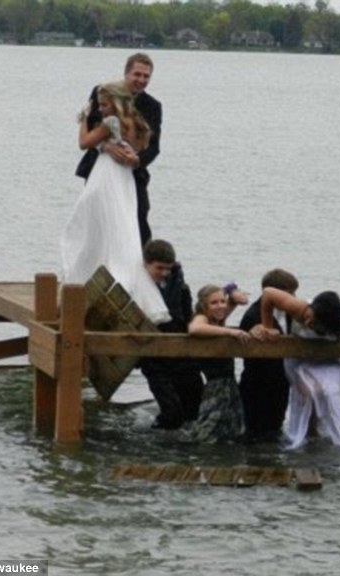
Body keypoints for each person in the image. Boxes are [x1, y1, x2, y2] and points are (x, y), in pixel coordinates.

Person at [61, 80, 169, 325]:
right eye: (99, 105)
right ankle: (119, 273)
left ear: (116, 102)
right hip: (125, 179)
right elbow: (138, 147)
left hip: (107, 175)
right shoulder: (137, 121)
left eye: (104, 104)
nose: (101, 109)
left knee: (89, 221)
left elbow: (84, 143)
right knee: (122, 225)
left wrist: (84, 120)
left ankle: (94, 271)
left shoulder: (111, 122)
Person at [252, 287, 340, 449]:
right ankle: (308, 434)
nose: (309, 322)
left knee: (329, 391)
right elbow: (268, 293)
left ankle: (330, 437)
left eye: (316, 324)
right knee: (308, 392)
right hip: (298, 360)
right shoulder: (299, 308)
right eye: (310, 316)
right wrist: (267, 326)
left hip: (330, 360)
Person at [75, 53, 161, 247]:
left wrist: (136, 159)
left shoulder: (153, 106)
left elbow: (154, 146)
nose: (141, 80)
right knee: (98, 220)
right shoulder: (102, 91)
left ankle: (140, 270)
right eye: (137, 74)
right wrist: (104, 146)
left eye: (146, 76)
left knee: (138, 220)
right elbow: (91, 127)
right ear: (126, 73)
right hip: (100, 169)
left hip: (133, 172)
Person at [138, 240, 202, 430]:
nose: (165, 273)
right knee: (172, 413)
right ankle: (158, 447)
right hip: (155, 361)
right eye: (159, 268)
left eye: (168, 268)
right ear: (146, 264)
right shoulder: (136, 288)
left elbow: (187, 319)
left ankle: (183, 450)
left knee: (194, 410)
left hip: (182, 356)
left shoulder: (181, 287)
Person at [238, 269, 299, 441]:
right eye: (289, 293)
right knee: (256, 430)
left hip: (280, 381)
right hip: (258, 383)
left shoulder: (287, 313)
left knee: (275, 426)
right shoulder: (254, 315)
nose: (293, 297)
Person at [187, 283, 251, 442]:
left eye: (222, 301)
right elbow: (194, 329)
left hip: (229, 383)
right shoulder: (202, 317)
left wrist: (231, 291)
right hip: (215, 384)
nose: (220, 306)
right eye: (214, 303)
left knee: (231, 426)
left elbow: (241, 301)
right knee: (209, 425)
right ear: (204, 306)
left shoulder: (217, 318)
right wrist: (231, 331)